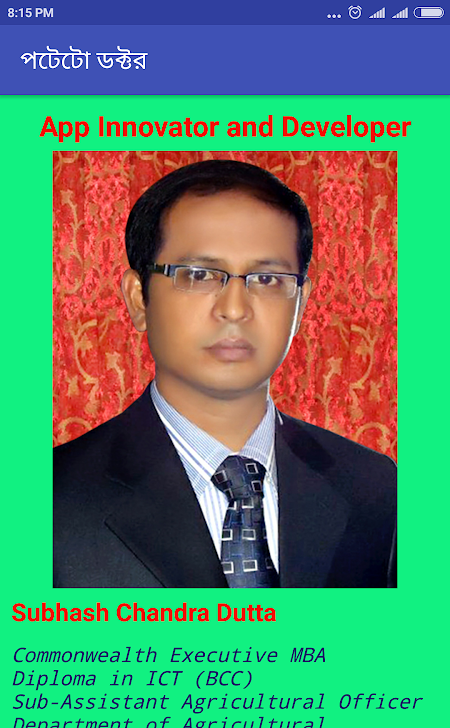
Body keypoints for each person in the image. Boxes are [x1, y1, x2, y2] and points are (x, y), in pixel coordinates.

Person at [53, 159, 396, 588]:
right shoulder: (47, 500)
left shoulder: (376, 488)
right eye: (199, 275)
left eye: (267, 279)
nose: (235, 309)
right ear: (139, 298)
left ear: (301, 303)